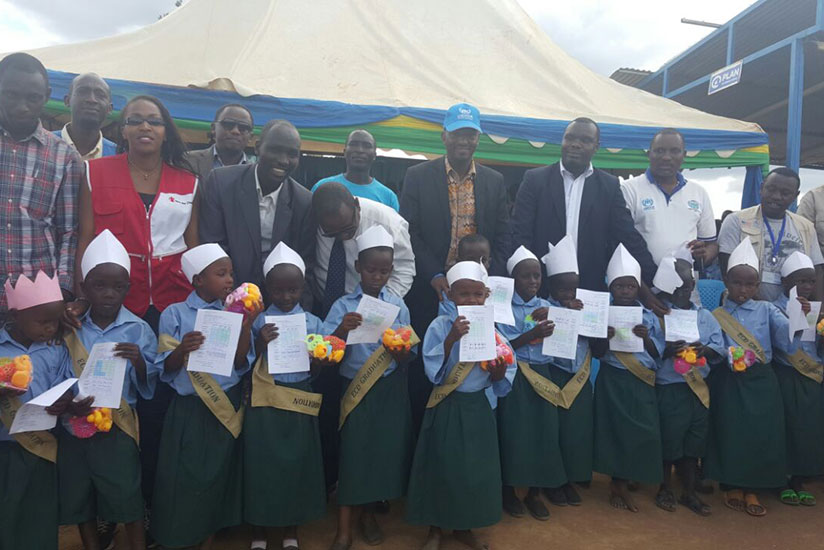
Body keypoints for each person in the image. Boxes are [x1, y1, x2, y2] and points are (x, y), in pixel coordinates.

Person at [150, 244, 260, 549]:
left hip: (224, 405)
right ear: (198, 280)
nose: (230, 280)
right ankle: (178, 536)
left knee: (217, 473)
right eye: (221, 273)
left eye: (231, 273)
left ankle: (207, 539)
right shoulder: (174, 314)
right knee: (183, 476)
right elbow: (164, 368)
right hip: (189, 408)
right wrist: (182, 350)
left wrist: (246, 326)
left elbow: (241, 362)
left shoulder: (234, 312)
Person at [58, 231, 158, 550]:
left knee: (127, 493)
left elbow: (151, 383)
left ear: (128, 288)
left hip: (119, 427)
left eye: (117, 287)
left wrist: (138, 361)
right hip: (73, 424)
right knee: (80, 495)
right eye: (99, 286)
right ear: (84, 288)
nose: (109, 294)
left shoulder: (138, 329)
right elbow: (57, 371)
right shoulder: (70, 328)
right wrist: (68, 403)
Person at [406, 261, 515, 550]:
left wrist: (498, 372)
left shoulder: (493, 328)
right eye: (464, 294)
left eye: (477, 294)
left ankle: (465, 526)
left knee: (473, 470)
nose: (471, 300)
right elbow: (433, 371)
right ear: (451, 295)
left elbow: (503, 373)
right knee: (442, 465)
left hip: (478, 407)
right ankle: (435, 528)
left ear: (486, 296)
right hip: (447, 405)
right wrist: (452, 339)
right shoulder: (441, 325)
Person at [510, 118, 662, 312]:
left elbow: (627, 236)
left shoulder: (609, 186)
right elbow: (520, 233)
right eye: (570, 138)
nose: (575, 144)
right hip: (540, 289)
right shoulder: (535, 180)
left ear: (596, 147)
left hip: (589, 289)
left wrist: (656, 282)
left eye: (585, 140)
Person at [324, 226, 415, 550]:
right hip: (355, 388)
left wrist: (399, 349)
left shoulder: (398, 305)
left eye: (384, 271)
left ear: (391, 271)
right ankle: (343, 528)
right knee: (354, 454)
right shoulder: (342, 306)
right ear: (358, 267)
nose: (377, 277)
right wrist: (341, 330)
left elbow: (408, 357)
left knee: (380, 452)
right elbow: (325, 354)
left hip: (388, 388)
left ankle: (368, 515)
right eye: (371, 270)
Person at [75, 94, 199, 330]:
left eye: (154, 121)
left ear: (165, 132)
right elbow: (85, 238)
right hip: (114, 299)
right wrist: (81, 295)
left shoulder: (189, 181)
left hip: (176, 298)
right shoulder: (94, 172)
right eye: (135, 121)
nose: (145, 126)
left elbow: (193, 246)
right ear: (123, 131)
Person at [245, 242, 327, 550]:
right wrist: (259, 344)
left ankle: (291, 529)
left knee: (296, 466)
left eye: (293, 290)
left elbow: (317, 370)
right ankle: (259, 531)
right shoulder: (257, 322)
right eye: (278, 291)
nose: (286, 297)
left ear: (303, 288)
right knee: (261, 467)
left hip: (299, 400)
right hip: (265, 401)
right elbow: (242, 365)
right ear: (267, 289)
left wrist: (318, 359)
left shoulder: (313, 323)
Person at [400, 103, 510, 326]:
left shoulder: (494, 181)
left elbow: (503, 234)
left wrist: (488, 278)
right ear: (444, 137)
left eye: (470, 135)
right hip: (431, 286)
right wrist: (434, 274)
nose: (464, 141)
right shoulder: (417, 176)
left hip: (477, 290)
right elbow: (409, 230)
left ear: (478, 139)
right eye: (457, 134)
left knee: (475, 344)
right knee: (429, 342)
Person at [705, 239, 790, 517]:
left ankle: (753, 487)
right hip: (729, 380)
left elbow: (788, 339)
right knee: (730, 430)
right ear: (726, 282)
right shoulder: (716, 315)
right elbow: (714, 347)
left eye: (749, 284)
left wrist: (801, 316)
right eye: (737, 283)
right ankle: (731, 484)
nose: (743, 290)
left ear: (757, 286)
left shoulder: (768, 310)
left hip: (761, 380)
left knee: (760, 433)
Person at [0, 53, 83, 318]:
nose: (22, 106)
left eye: (33, 98)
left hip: (37, 303)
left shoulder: (65, 156)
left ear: (46, 96)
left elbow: (69, 231)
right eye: (11, 95)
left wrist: (63, 289)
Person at [0, 271, 75, 550]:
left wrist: (64, 400)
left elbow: (67, 383)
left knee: (40, 510)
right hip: (5, 444)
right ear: (16, 316)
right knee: (8, 509)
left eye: (55, 321)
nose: (50, 329)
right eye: (43, 322)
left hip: (42, 443)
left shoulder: (56, 349)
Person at [199, 119, 315, 293]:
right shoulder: (221, 183)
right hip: (228, 294)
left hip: (280, 300)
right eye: (275, 150)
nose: (283, 161)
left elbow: (304, 263)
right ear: (258, 148)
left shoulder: (304, 201)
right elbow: (213, 248)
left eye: (292, 154)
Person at [591, 244, 664, 513]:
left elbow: (658, 353)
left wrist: (646, 339)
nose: (625, 291)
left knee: (643, 429)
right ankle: (617, 483)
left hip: (641, 380)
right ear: (611, 287)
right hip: (613, 377)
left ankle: (633, 473)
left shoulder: (648, 316)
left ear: (638, 289)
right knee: (615, 430)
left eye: (631, 287)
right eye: (619, 286)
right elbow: (597, 353)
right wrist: (604, 337)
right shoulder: (602, 313)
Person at [652, 253, 724, 516]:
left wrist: (705, 350)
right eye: (676, 290)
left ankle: (689, 492)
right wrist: (666, 350)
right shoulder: (658, 316)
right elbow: (649, 352)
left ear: (693, 286)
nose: (681, 294)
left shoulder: (705, 317)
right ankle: (664, 488)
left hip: (698, 390)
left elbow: (719, 348)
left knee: (694, 441)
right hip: (670, 387)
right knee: (669, 439)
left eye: (686, 288)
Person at [496, 246, 561, 521]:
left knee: (544, 432)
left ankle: (535, 492)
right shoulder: (502, 308)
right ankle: (509, 491)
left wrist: (563, 317)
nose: (533, 281)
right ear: (513, 279)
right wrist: (532, 333)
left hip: (543, 373)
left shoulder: (548, 307)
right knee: (514, 433)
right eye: (526, 276)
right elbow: (501, 345)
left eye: (537, 276)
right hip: (515, 375)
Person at [718, 167, 824, 302]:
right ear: (762, 188)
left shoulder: (806, 227)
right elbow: (727, 268)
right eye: (771, 189)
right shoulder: (736, 221)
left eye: (785, 193)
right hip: (746, 307)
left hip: (793, 309)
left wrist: (819, 308)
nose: (776, 196)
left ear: (795, 196)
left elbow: (817, 271)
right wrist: (763, 307)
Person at [542, 235, 593, 506]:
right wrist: (563, 311)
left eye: (573, 289)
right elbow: (536, 324)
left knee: (576, 431)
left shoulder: (586, 306)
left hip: (580, 375)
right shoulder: (542, 308)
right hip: (554, 373)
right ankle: (553, 481)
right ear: (551, 286)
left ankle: (571, 478)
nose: (569, 295)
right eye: (562, 289)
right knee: (553, 431)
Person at [621, 129, 718, 269]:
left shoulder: (698, 192)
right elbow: (623, 241)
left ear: (684, 155)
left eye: (674, 151)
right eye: (659, 151)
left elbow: (711, 244)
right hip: (642, 279)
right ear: (649, 154)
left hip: (685, 281)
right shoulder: (629, 189)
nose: (666, 157)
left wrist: (703, 256)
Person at [771, 251, 824, 507]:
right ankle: (782, 479)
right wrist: (798, 316)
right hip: (786, 374)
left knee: (807, 429)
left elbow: (817, 348)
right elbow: (783, 343)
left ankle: (800, 479)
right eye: (801, 281)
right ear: (785, 282)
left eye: (811, 281)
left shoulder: (817, 310)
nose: (807, 286)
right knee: (786, 428)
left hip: (811, 377)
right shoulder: (774, 308)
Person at [313, 182, 414, 312]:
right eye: (332, 234)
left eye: (348, 229)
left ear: (357, 205)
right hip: (323, 304)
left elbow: (404, 270)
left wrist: (378, 305)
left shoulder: (390, 224)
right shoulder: (313, 218)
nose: (342, 237)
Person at [312, 129, 399, 211]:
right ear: (345, 152)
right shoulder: (322, 187)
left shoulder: (388, 197)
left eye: (367, 146)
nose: (360, 150)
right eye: (353, 144)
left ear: (374, 155)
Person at [54, 72, 116, 160]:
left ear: (109, 108)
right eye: (82, 92)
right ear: (67, 101)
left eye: (100, 95)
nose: (91, 99)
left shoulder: (118, 155)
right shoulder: (43, 145)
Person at [185, 103, 255, 181]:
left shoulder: (255, 174)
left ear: (250, 137)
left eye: (243, 128)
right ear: (213, 128)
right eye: (228, 124)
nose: (235, 131)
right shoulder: (187, 161)